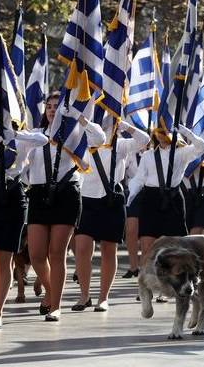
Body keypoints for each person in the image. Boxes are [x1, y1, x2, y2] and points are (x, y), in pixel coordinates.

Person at [26, 94, 106, 322]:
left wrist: (79, 117)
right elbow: (18, 154)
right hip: (39, 194)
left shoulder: (74, 135)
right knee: (36, 254)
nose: (52, 110)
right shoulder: (36, 134)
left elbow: (99, 138)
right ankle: (51, 292)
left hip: (66, 194)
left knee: (56, 252)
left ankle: (56, 306)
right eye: (49, 107)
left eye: (56, 107)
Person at [0, 127, 47, 329]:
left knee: (3, 260)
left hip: (13, 194)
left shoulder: (23, 136)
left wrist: (14, 134)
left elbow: (43, 139)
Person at [73, 119, 149, 312]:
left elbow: (144, 140)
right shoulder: (82, 141)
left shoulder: (120, 145)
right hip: (87, 198)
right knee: (82, 248)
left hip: (111, 200)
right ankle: (84, 295)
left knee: (108, 249)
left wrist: (126, 126)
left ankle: (103, 297)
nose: (106, 123)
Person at [127, 124, 204, 265]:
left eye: (164, 131)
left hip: (173, 198)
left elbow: (203, 147)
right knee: (147, 245)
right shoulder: (148, 155)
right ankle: (149, 280)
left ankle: (174, 277)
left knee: (177, 246)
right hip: (151, 198)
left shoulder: (182, 153)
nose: (160, 134)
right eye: (158, 131)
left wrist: (185, 131)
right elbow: (139, 178)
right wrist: (131, 195)